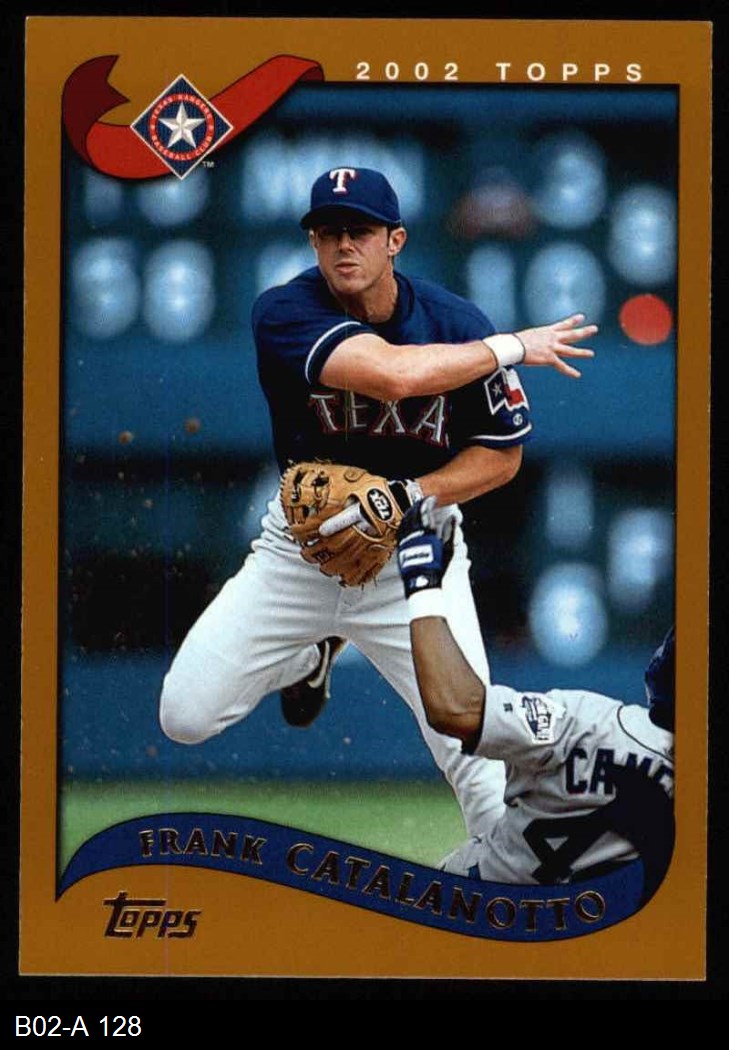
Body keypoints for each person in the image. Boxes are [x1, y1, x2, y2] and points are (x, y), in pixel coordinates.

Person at [159, 166, 597, 839]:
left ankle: (515, 892)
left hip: (416, 558)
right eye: (328, 231)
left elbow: (502, 455)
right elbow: (392, 376)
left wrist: (411, 495)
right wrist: (511, 346)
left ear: (395, 240)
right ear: (312, 242)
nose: (343, 245)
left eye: (360, 231)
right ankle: (310, 654)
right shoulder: (284, 311)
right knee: (184, 717)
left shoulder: (455, 322)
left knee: (478, 764)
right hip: (302, 552)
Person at [396, 496, 675, 896]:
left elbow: (453, 708)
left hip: (472, 913)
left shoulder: (583, 722)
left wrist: (422, 581)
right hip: (607, 927)